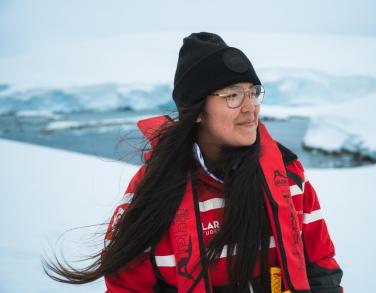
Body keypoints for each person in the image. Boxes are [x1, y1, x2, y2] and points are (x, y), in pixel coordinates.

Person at [44, 32, 343, 293]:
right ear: (197, 111)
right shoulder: (153, 193)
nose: (251, 107)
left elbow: (321, 268)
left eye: (253, 92)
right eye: (233, 96)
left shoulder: (289, 178)